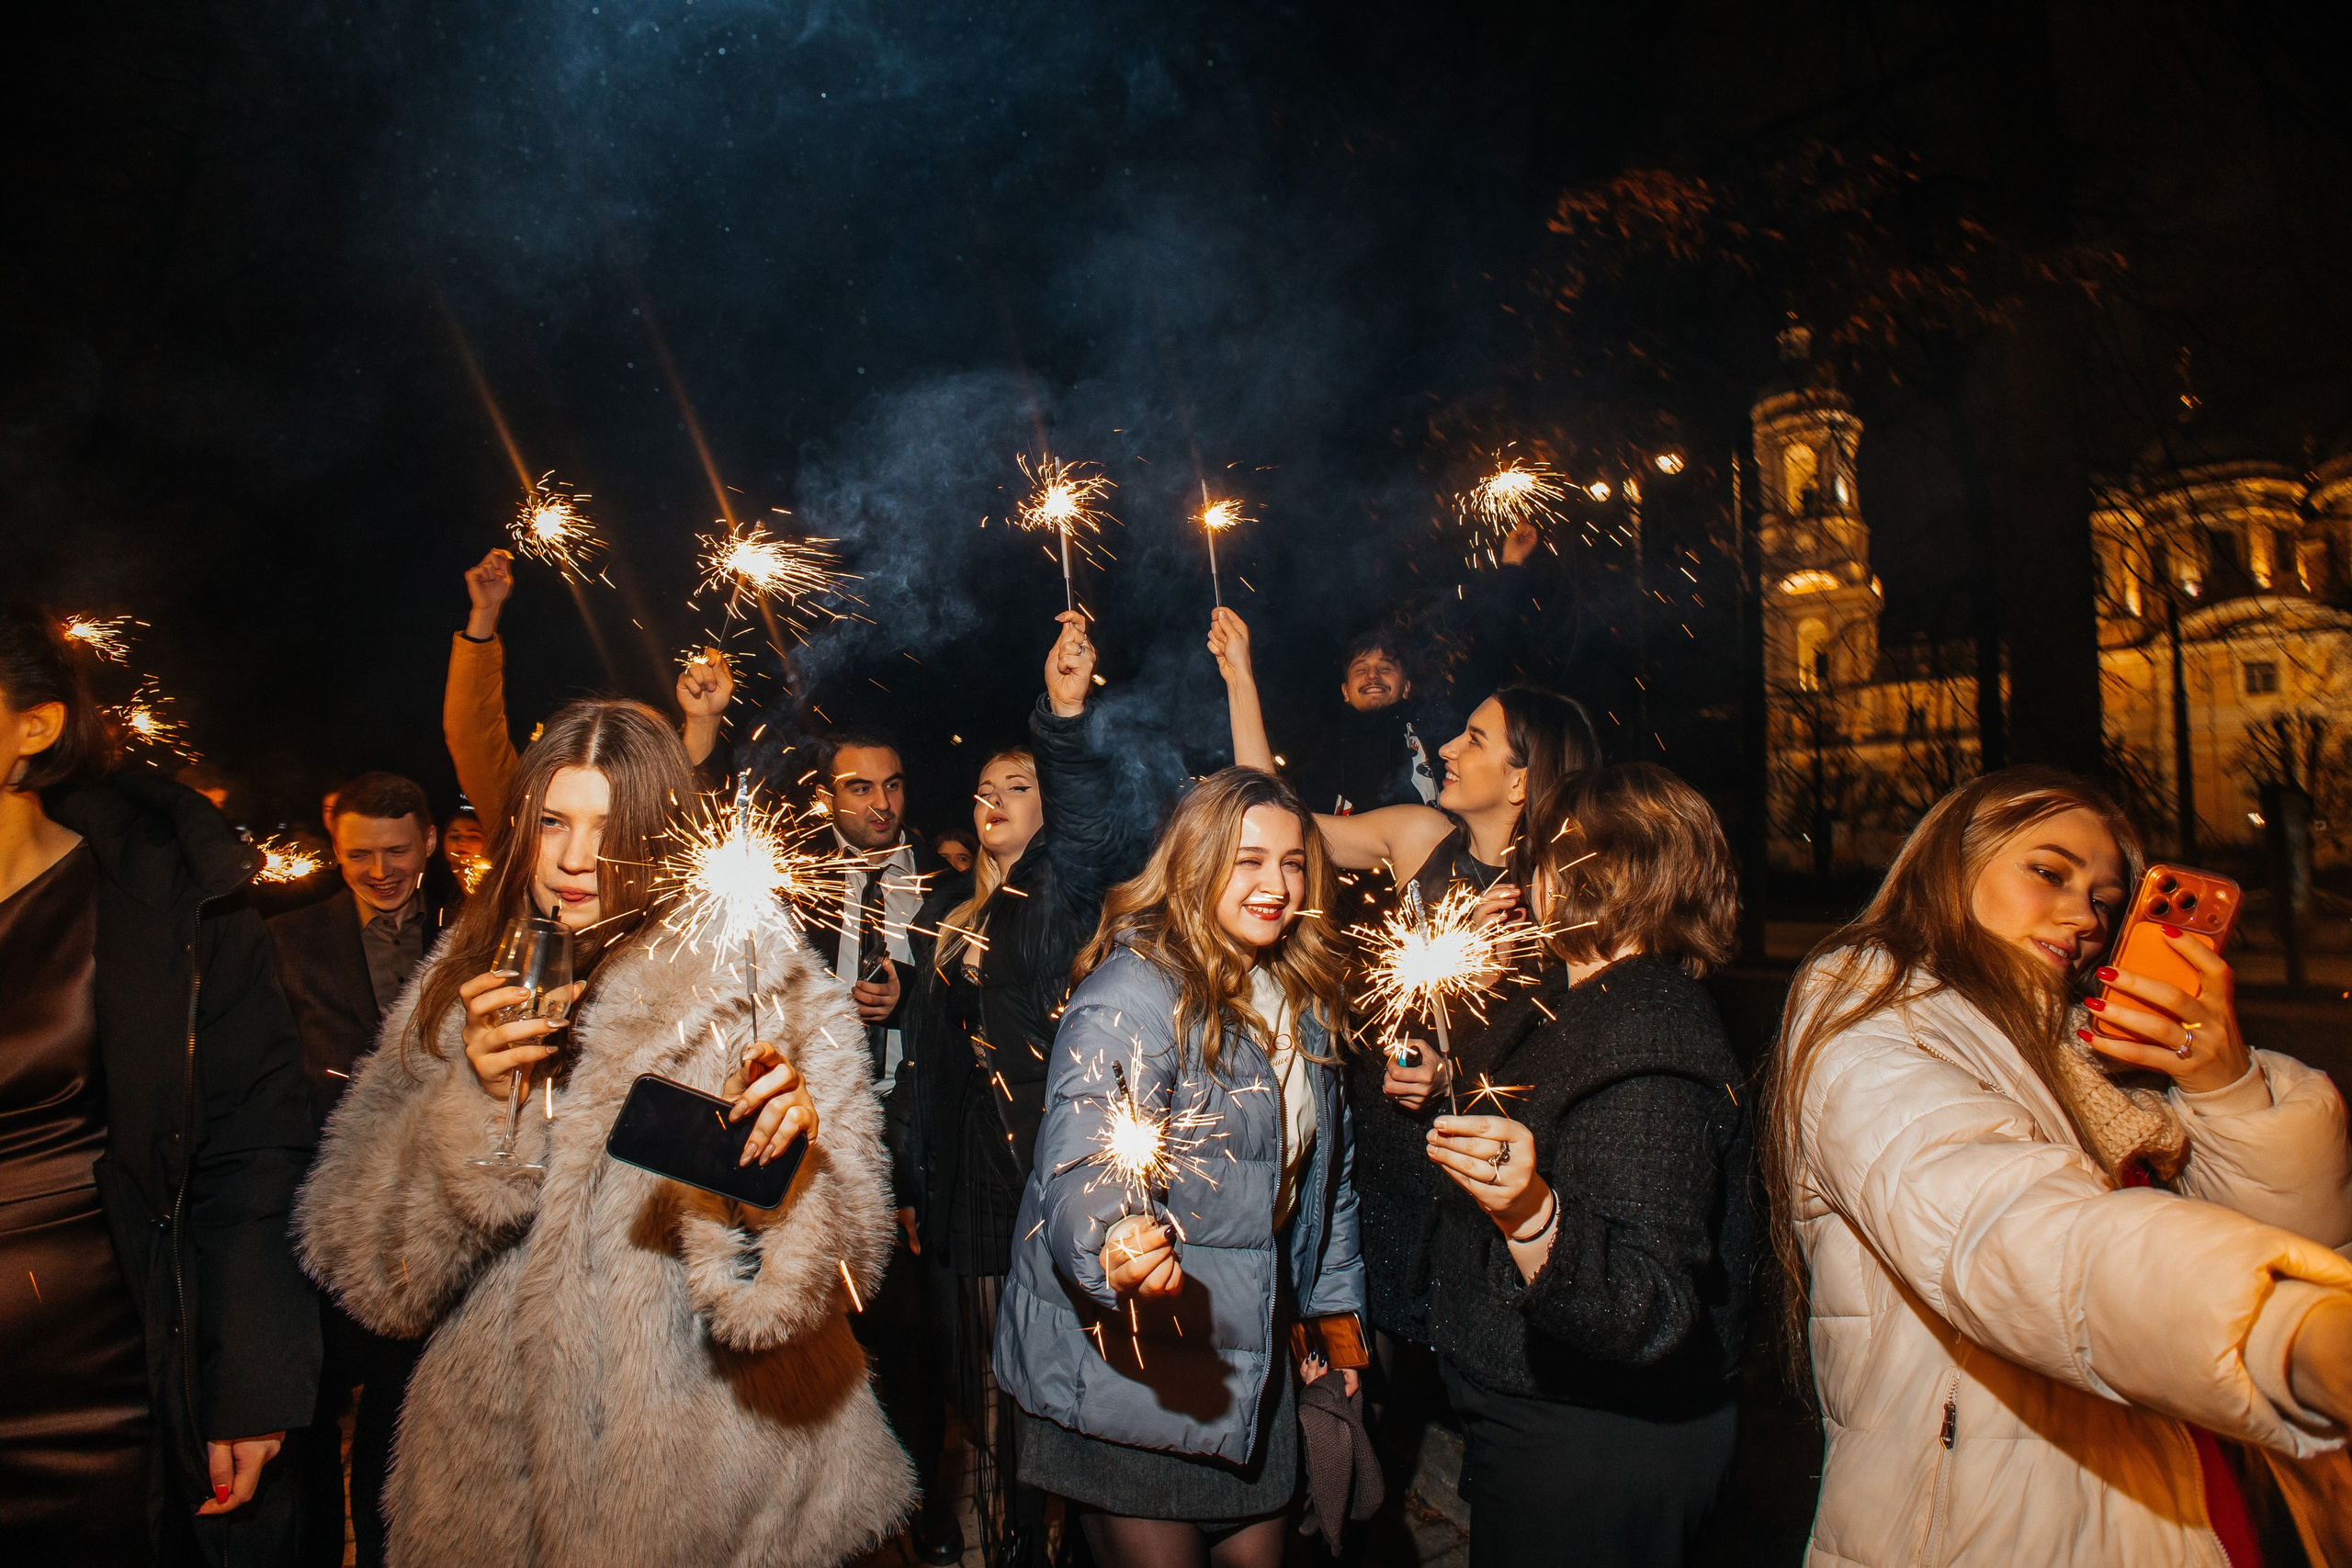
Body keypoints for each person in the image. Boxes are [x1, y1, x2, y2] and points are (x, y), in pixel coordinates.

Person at [295, 698, 909, 1567]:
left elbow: (846, 1269)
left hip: (726, 1484)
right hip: (497, 1483)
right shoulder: (467, 984)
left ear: (661, 834)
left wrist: (781, 1172)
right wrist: (480, 1104)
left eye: (609, 827)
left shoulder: (761, 983)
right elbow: (373, 1275)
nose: (575, 857)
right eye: (553, 821)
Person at [1761, 765, 2352, 1564]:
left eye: (2108, 901)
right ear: (1950, 864)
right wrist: (2290, 1335)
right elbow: (2015, 1232)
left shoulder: (2092, 1063)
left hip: (2190, 1508)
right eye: (2049, 872)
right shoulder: (1872, 1019)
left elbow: (2293, 1240)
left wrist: (2228, 1086)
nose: (2084, 917)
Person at [1216, 605, 1600, 1495]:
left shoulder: (1564, 897)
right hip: (1374, 1172)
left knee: (1483, 1413)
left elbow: (1557, 1060)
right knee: (1357, 1402)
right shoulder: (1419, 837)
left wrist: (1454, 1070)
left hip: (1468, 1195)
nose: (1448, 747)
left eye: (1474, 739)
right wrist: (1240, 676)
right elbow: (1278, 820)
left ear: (1521, 780)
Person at [1, 604, 319, 1562]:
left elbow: (252, 1140)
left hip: (109, 1395)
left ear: (34, 726)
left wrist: (249, 1378)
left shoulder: (165, 896)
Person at [994, 766, 1365, 1568]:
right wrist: (1114, 1241)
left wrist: (1338, 1330)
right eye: (1248, 860)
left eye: (1292, 863)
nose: (1276, 885)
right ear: (1196, 862)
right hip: (1130, 1370)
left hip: (1246, 1366)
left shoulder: (1306, 996)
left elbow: (1327, 1187)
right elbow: (1085, 1155)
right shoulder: (1133, 990)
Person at [1421, 763, 1751, 1566]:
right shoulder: (1579, 991)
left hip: (1594, 1453)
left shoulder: (1649, 1029)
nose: (1525, 874)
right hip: (1543, 1427)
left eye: (1540, 856)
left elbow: (1646, 1303)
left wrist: (1532, 1214)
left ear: (1590, 871)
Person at [898, 612, 1144, 1565]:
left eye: (1016, 786)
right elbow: (925, 1058)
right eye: (983, 790)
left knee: (1042, 1363)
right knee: (981, 1371)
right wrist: (912, 1171)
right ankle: (1012, 1528)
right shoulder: (944, 909)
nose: (992, 801)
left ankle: (1046, 1538)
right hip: (962, 1165)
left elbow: (1088, 824)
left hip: (1034, 1153)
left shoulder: (1063, 889)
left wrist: (1064, 718)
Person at [268, 771, 458, 1567]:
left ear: (430, 842)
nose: (380, 871)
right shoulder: (283, 938)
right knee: (309, 1418)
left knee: (399, 1413)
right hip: (320, 1210)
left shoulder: (470, 932)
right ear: (335, 846)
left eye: (397, 852)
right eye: (359, 855)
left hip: (428, 1215)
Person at [442, 547, 734, 814]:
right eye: (553, 821)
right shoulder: (520, 819)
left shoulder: (648, 841)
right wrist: (484, 614)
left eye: (602, 822)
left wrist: (703, 721)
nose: (575, 850)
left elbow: (686, 810)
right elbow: (474, 739)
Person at [1283, 525, 1541, 819]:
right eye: (1361, 669)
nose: (1372, 676)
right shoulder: (1321, 757)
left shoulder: (1438, 731)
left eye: (1385, 668)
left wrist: (1511, 566)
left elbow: (1488, 656)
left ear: (1406, 686)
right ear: (1345, 691)